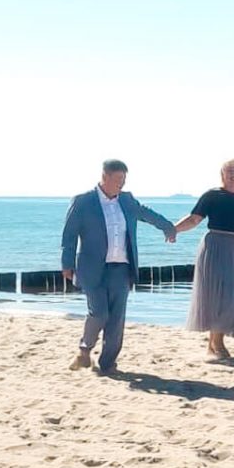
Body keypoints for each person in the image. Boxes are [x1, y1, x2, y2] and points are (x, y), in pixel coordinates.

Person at [61, 159, 177, 374]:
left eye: (124, 179)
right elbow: (69, 234)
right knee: (99, 314)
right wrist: (66, 263)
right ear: (104, 177)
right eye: (118, 179)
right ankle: (84, 351)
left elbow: (147, 214)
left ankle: (108, 364)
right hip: (92, 268)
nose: (121, 184)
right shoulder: (83, 201)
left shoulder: (127, 200)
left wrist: (168, 227)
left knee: (116, 319)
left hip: (121, 269)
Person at [173, 158, 234, 359]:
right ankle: (216, 344)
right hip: (214, 246)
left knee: (233, 298)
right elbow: (194, 219)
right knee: (217, 296)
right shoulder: (212, 196)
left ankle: (214, 343)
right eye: (230, 170)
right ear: (222, 174)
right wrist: (173, 229)